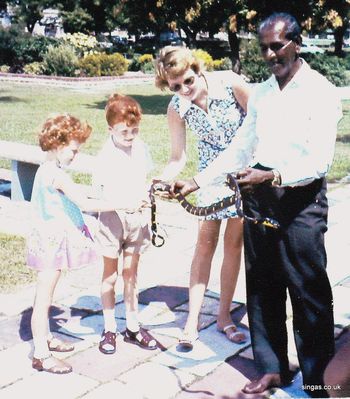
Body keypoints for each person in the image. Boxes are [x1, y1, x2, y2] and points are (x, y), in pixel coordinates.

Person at [171, 13, 343, 397]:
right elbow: (240, 147)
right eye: (263, 47)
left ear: (297, 43)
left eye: (277, 45)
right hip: (259, 198)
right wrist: (197, 181)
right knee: (263, 288)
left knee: (308, 291)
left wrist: (273, 176)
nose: (269, 54)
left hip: (301, 201)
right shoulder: (263, 92)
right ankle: (271, 369)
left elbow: (320, 162)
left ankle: (317, 378)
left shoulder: (321, 91)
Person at [154, 46, 250, 348]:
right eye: (176, 86)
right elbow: (177, 156)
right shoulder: (177, 107)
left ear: (199, 71)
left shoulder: (231, 84)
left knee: (233, 245)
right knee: (205, 244)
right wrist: (162, 181)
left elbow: (260, 125)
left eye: (188, 81)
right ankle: (192, 320)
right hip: (207, 179)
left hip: (243, 173)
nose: (185, 90)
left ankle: (224, 317)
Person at [27, 114, 119, 374]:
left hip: (48, 238)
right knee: (43, 300)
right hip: (49, 242)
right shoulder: (56, 175)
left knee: (46, 296)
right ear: (58, 143)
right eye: (73, 150)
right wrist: (124, 203)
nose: (75, 156)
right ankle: (41, 355)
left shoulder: (47, 169)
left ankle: (45, 338)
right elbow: (86, 204)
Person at [93, 93, 157, 354]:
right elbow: (99, 194)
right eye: (124, 132)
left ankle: (132, 325)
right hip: (112, 221)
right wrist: (121, 203)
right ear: (110, 129)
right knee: (110, 275)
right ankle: (109, 327)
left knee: (131, 273)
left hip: (136, 220)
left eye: (134, 130)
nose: (130, 136)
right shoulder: (105, 156)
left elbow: (144, 181)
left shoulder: (140, 148)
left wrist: (146, 200)